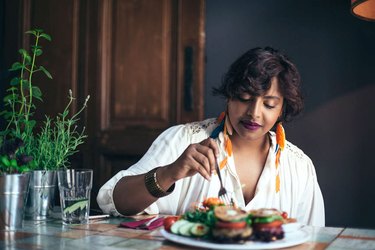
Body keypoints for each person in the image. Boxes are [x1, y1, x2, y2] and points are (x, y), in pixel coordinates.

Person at [97, 47, 325, 226]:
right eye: (244, 98)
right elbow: (113, 201)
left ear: (281, 109)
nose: (254, 113)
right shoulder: (183, 139)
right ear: (228, 96)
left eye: (269, 104)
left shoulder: (299, 167)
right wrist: (169, 173)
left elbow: (314, 239)